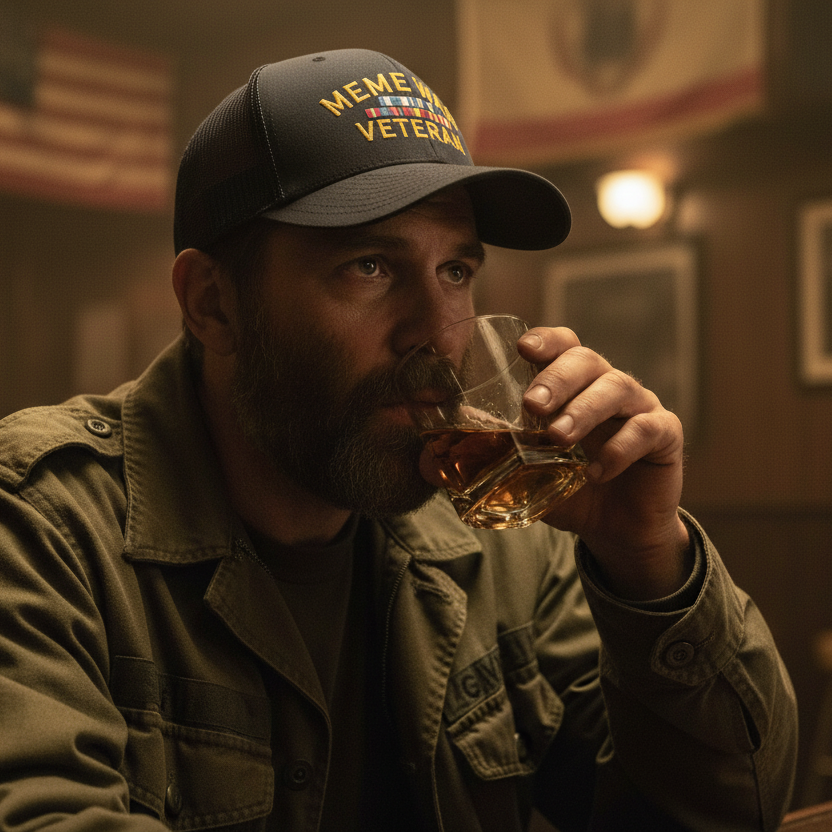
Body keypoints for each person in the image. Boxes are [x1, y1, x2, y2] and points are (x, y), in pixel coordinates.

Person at [0, 48, 796, 832]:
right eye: (370, 267)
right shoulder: (40, 525)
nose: (440, 336)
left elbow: (728, 810)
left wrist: (649, 563)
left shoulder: (505, 531)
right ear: (213, 303)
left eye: (456, 271)